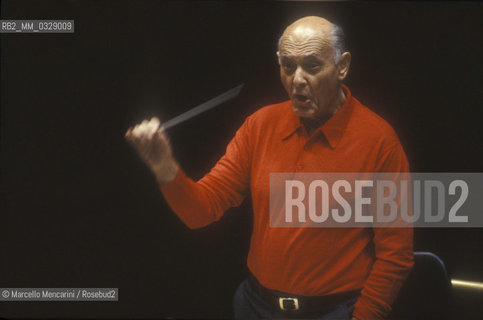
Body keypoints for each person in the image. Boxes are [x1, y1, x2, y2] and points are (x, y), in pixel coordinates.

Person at [125, 16, 413, 320]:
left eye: (312, 66)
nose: (297, 79)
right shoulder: (259, 126)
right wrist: (164, 166)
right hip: (255, 306)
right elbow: (201, 211)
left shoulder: (379, 141)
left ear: (342, 66)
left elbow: (395, 256)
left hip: (335, 311)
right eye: (288, 66)